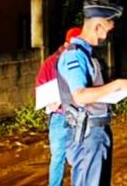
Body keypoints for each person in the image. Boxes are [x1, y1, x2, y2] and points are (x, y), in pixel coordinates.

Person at [56, 0, 127, 186]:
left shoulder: (89, 55)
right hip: (87, 135)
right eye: (108, 31)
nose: (108, 37)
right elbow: (80, 95)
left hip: (97, 132)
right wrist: (117, 84)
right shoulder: (74, 55)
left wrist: (121, 87)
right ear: (98, 27)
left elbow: (96, 90)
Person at [35, 26, 83, 186]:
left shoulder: (81, 60)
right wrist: (50, 102)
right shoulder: (51, 63)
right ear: (66, 44)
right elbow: (40, 86)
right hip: (60, 116)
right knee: (59, 159)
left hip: (77, 115)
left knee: (76, 158)